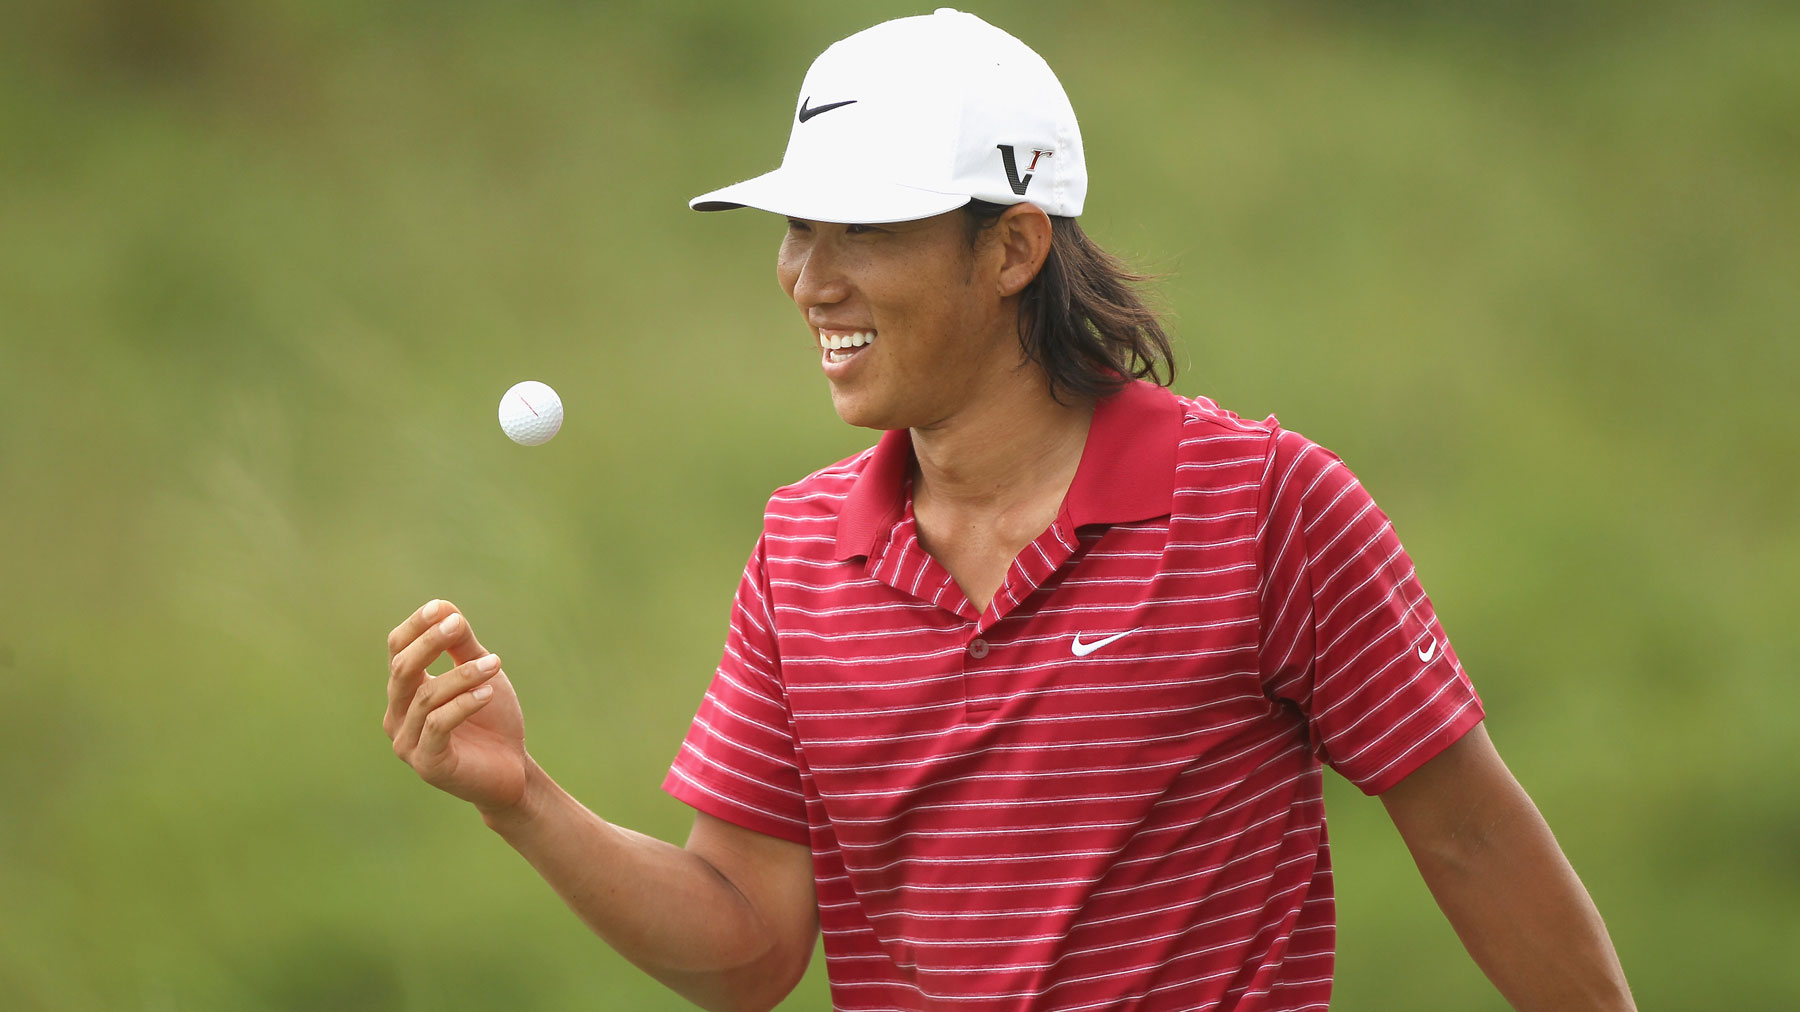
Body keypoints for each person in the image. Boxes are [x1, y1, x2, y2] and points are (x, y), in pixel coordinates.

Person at [382, 10, 1636, 1011]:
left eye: (862, 228)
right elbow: (752, 947)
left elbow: (1473, 841)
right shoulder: (801, 550)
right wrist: (524, 799)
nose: (810, 278)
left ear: (1013, 248)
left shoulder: (1267, 506)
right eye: (798, 228)